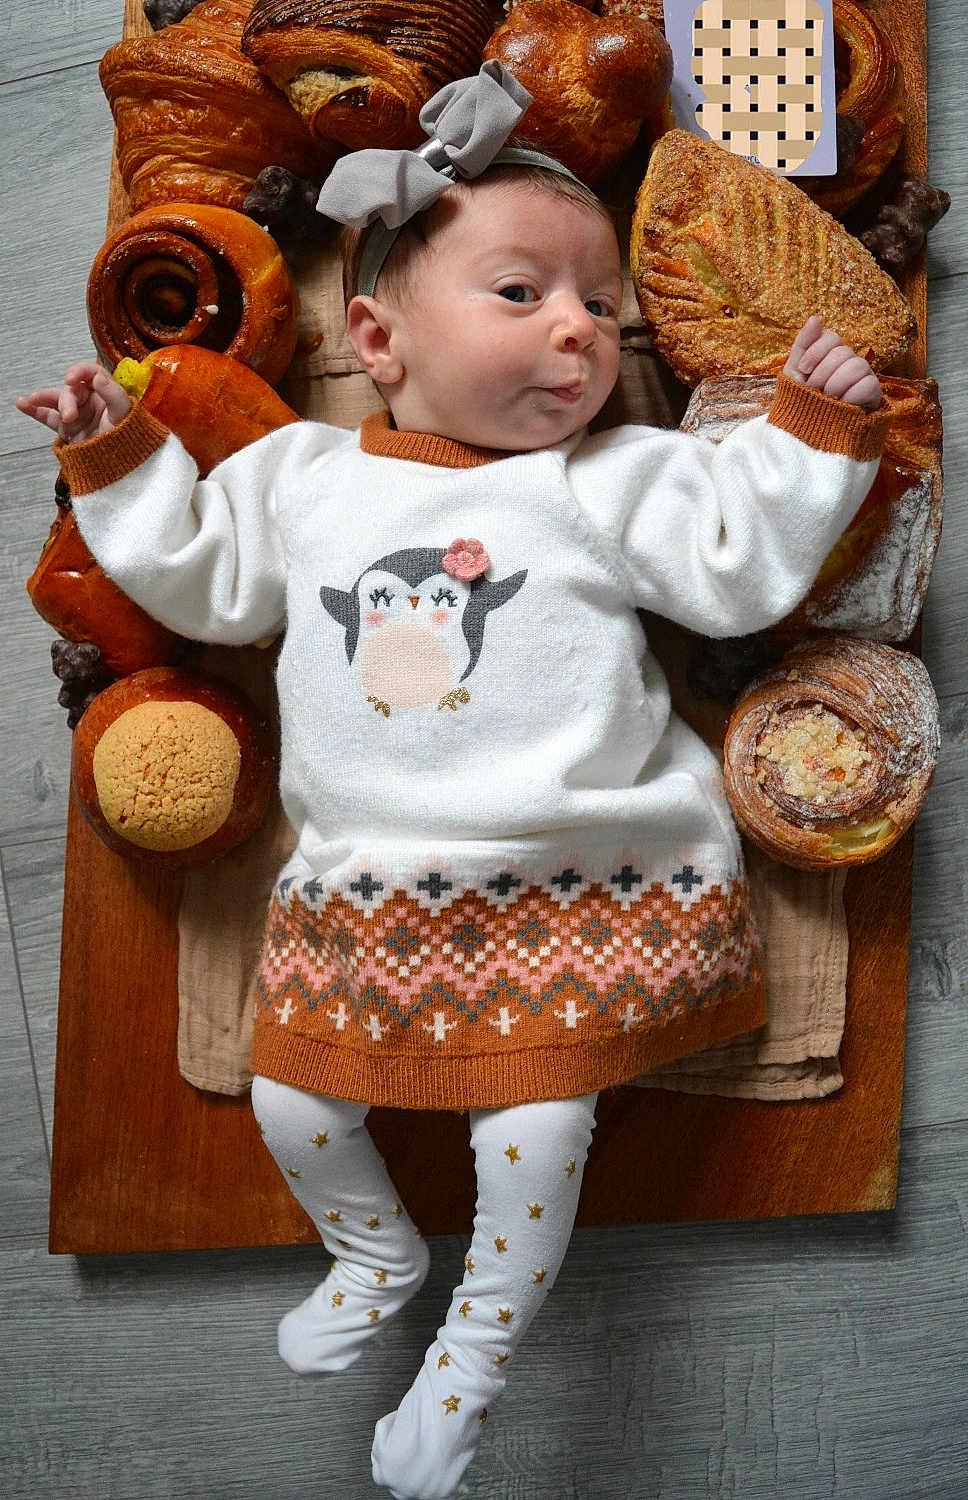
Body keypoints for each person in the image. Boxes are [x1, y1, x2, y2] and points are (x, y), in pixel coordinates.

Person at [17, 62, 887, 1500]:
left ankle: (474, 1354)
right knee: (293, 1097)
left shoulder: (610, 479)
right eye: (523, 294)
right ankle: (374, 1252)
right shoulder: (304, 478)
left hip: (586, 877)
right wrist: (116, 458)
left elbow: (736, 569)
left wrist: (807, 433)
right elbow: (206, 582)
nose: (581, 332)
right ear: (378, 338)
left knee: (536, 1125)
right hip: (371, 878)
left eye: (601, 308)